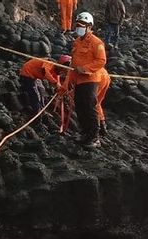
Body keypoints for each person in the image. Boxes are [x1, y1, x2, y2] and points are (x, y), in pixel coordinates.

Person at [63, 12, 108, 147]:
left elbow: (101, 61)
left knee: (90, 107)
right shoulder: (76, 42)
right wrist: (68, 81)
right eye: (77, 25)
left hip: (91, 79)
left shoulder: (97, 43)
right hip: (78, 80)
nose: (79, 28)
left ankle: (94, 137)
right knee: (80, 107)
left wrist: (85, 68)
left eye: (82, 25)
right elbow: (73, 64)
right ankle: (85, 133)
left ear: (89, 26)